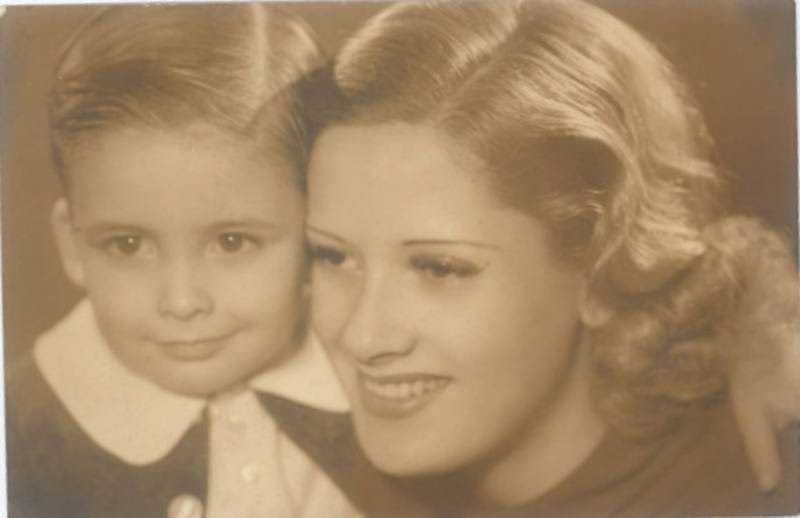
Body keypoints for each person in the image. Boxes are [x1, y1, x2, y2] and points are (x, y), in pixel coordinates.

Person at [305, 0, 800, 516]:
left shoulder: (748, 489)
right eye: (332, 255)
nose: (362, 337)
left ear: (602, 268)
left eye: (439, 268)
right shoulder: (289, 431)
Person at [4, 5, 421, 517]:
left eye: (231, 242)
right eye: (128, 245)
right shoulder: (26, 431)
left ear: (316, 231)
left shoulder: (387, 380)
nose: (182, 302)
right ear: (72, 246)